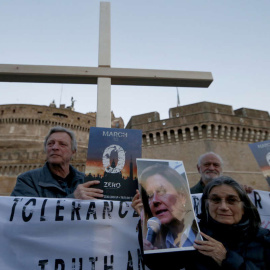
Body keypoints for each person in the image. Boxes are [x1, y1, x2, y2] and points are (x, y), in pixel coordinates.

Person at [135, 176, 270, 270]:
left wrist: (226, 258)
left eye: (231, 200)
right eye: (216, 200)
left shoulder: (265, 239)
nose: (223, 206)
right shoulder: (196, 236)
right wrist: (144, 218)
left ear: (244, 206)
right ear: (206, 205)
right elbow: (160, 265)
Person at [11, 126, 103, 199]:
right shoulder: (27, 181)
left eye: (62, 144)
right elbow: (25, 216)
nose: (54, 147)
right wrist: (73, 199)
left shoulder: (86, 181)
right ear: (45, 149)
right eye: (50, 143)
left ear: (73, 151)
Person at [135, 163, 200, 251]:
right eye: (149, 195)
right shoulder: (157, 241)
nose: (155, 200)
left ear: (182, 195)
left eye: (161, 191)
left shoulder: (203, 231)